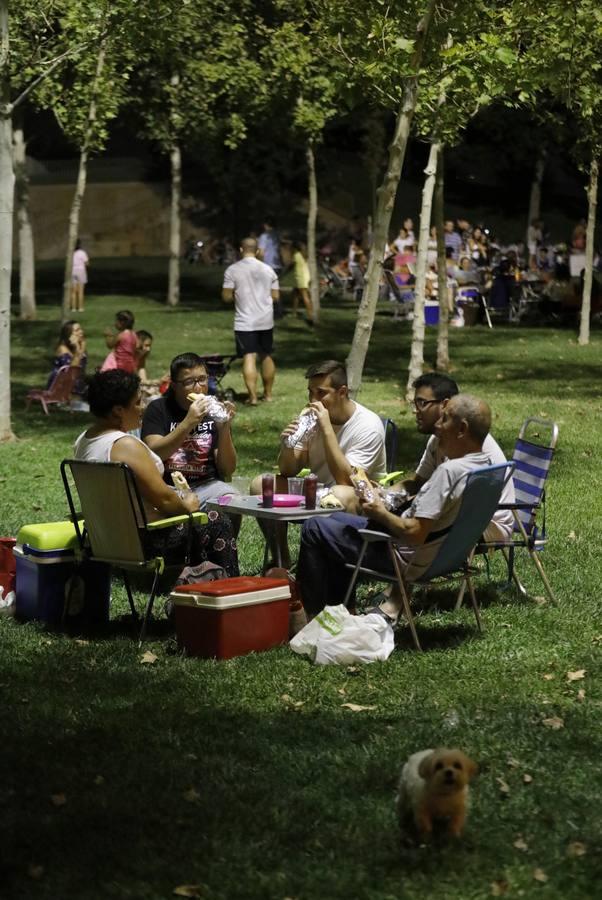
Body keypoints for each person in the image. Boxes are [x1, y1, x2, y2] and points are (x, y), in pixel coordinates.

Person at [297, 394, 507, 621]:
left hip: (408, 559)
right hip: (447, 557)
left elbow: (414, 533)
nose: (437, 425)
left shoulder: (449, 473)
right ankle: (345, 610)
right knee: (335, 520)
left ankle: (313, 618)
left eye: (444, 419)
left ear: (462, 429)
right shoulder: (486, 466)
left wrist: (380, 512)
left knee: (314, 527)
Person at [74, 370, 238, 577]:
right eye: (136, 403)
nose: (141, 408)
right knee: (218, 521)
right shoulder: (125, 446)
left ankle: (199, 580)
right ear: (117, 411)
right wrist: (188, 503)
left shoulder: (84, 440)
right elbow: (165, 501)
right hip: (143, 542)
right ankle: (228, 587)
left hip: (103, 539)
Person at [250, 359, 386, 567]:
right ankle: (281, 559)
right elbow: (288, 470)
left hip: (359, 497)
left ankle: (342, 565)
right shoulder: (311, 418)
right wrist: (287, 445)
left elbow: (348, 481)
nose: (314, 399)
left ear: (342, 392)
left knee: (339, 493)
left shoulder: (368, 425)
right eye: (310, 392)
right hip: (319, 491)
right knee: (262, 484)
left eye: (321, 393)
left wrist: (327, 429)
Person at [141, 353, 241, 527]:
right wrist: (188, 422)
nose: (198, 388)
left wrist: (224, 429)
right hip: (167, 487)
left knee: (232, 501)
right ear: (174, 385)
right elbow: (154, 452)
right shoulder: (159, 408)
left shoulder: (214, 411)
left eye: (202, 379)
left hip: (206, 485)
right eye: (189, 382)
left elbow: (227, 469)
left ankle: (223, 552)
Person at [222, 237, 279, 406]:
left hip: (244, 321)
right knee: (266, 355)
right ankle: (268, 395)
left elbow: (225, 296)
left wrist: (237, 297)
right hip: (265, 320)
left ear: (241, 250)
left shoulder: (232, 270)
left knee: (249, 356)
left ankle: (253, 397)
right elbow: (275, 296)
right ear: (258, 251)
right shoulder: (269, 270)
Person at [46, 321, 88, 397]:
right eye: (77, 330)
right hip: (61, 388)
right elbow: (71, 373)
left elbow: (82, 370)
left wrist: (81, 348)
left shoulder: (81, 345)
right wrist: (77, 348)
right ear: (69, 335)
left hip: (77, 385)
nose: (81, 331)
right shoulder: (62, 349)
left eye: (81, 329)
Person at [291, 241, 313, 325]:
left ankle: (311, 317)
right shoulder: (304, 255)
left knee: (305, 297)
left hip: (301, 278)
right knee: (296, 294)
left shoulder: (296, 255)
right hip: (306, 277)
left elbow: (291, 265)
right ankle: (294, 312)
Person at [70, 239, 89, 312]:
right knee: (81, 291)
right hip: (81, 271)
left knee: (73, 291)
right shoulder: (82, 253)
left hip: (72, 271)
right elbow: (86, 263)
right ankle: (80, 307)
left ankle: (73, 308)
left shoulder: (71, 253)